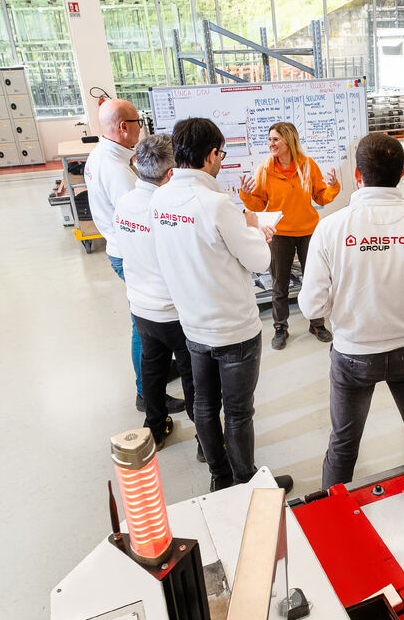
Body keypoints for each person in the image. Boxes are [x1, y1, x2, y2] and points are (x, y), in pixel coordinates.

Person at [300, 133, 404, 490]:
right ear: (402, 173)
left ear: (357, 175)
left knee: (342, 447)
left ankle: (331, 521)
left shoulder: (331, 228)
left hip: (353, 355)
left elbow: (311, 307)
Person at [150, 117, 291, 493]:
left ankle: (220, 477)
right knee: (239, 410)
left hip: (193, 324)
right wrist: (257, 229)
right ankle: (246, 481)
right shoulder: (216, 205)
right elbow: (260, 262)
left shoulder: (160, 199)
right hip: (233, 330)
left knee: (205, 406)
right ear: (212, 154)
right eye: (221, 154)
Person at [112, 135, 191, 450]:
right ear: (170, 174)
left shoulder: (125, 203)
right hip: (174, 311)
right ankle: (206, 439)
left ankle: (155, 429)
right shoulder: (168, 209)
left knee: (153, 368)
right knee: (193, 373)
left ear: (137, 165)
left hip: (141, 307)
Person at [239, 122, 341, 351]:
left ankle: (316, 324)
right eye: (269, 140)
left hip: (308, 233)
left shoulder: (307, 165)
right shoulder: (265, 169)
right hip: (279, 234)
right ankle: (280, 327)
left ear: (289, 140)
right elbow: (259, 203)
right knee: (279, 284)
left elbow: (321, 197)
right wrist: (245, 195)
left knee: (315, 280)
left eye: (276, 139)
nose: (271, 144)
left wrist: (333, 187)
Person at [84, 98, 146, 410]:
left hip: (118, 248)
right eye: (139, 122)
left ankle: (156, 373)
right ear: (124, 127)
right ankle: (147, 393)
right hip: (132, 255)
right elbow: (140, 223)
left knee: (145, 322)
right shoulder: (118, 171)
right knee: (146, 324)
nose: (141, 128)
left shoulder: (100, 156)